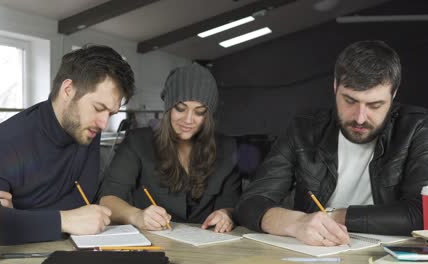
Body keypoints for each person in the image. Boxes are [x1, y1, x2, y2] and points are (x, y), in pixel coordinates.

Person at [235, 40, 428, 246]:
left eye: (374, 105)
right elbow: (251, 203)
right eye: (350, 101)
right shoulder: (304, 129)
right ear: (335, 86)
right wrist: (297, 223)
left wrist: (332, 216)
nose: (360, 118)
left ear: (394, 93)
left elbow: (421, 213)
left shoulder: (418, 128)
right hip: (315, 252)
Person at [0, 44, 135, 246]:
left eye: (111, 114)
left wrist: (15, 218)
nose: (104, 123)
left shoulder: (87, 130)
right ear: (68, 90)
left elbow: (82, 200)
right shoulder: (5, 141)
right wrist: (64, 220)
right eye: (98, 108)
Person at [99, 64, 241, 233]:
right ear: (168, 108)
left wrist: (227, 214)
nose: (188, 120)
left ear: (208, 116)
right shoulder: (137, 142)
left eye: (199, 112)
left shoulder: (228, 148)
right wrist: (136, 215)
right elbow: (107, 200)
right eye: (180, 109)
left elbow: (234, 205)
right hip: (152, 244)